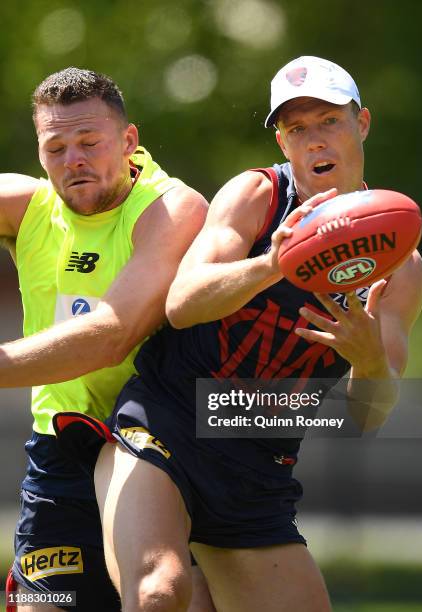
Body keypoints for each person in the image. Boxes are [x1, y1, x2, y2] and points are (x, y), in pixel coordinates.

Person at [70, 56, 422, 611]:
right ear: (283, 143)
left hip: (260, 464)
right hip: (168, 423)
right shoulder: (259, 197)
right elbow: (184, 305)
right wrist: (273, 265)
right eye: (297, 129)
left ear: (363, 124)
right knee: (161, 593)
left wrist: (368, 357)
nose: (315, 141)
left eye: (329, 121)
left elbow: (368, 413)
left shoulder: (399, 261)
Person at [0, 67, 214, 611]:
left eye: (90, 142)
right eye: (56, 147)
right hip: (58, 446)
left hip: (154, 443)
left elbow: (111, 335)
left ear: (129, 141)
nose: (73, 159)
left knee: (161, 596)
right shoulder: (27, 207)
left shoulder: (173, 210)